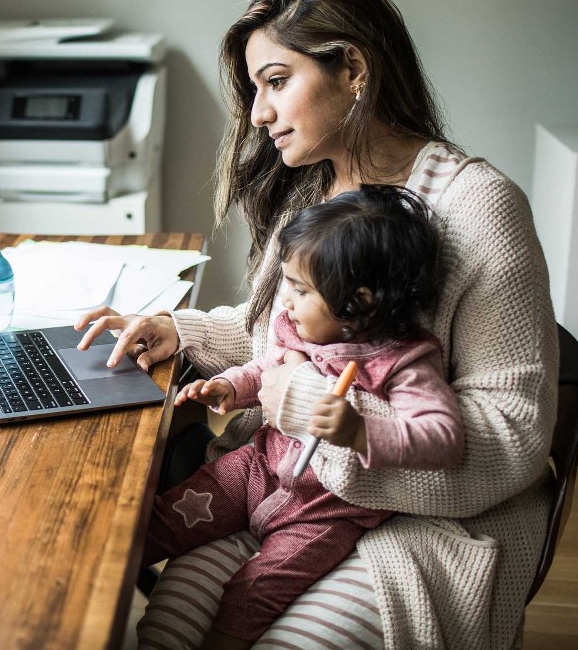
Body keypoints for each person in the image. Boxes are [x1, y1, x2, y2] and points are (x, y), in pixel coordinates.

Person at [76, 0, 556, 650]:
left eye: (275, 82)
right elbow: (278, 335)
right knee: (169, 627)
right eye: (254, 90)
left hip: (421, 526)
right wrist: (174, 331)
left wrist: (332, 425)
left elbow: (515, 434)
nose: (258, 115)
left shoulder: (479, 208)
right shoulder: (317, 191)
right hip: (282, 488)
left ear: (353, 68)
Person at [146, 185, 463, 649]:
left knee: (253, 593)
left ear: (361, 303)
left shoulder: (403, 362)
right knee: (168, 516)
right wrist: (233, 386)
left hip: (325, 515)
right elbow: (266, 367)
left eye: (299, 289)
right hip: (257, 468)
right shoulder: (297, 326)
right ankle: (99, 578)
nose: (286, 301)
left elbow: (443, 437)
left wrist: (359, 430)